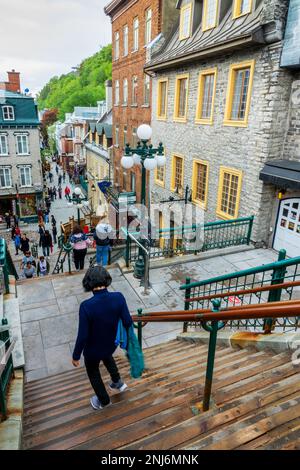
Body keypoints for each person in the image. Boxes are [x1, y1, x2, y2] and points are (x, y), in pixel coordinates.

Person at [72, 266, 133, 410]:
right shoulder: (118, 297)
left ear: (88, 283)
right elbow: (128, 321)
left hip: (92, 350)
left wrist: (76, 356)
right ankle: (117, 382)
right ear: (106, 279)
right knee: (107, 356)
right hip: (110, 344)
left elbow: (83, 335)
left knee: (93, 373)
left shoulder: (86, 306)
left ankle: (104, 401)